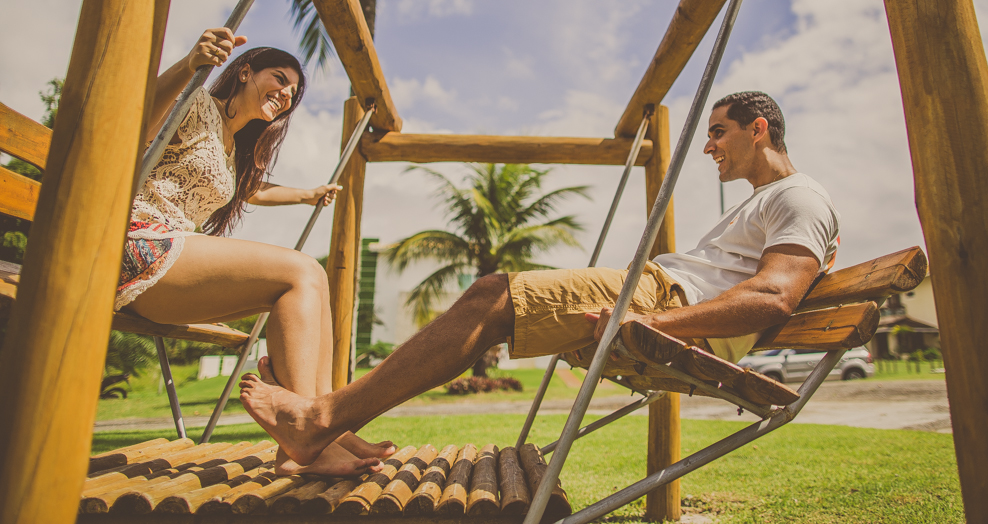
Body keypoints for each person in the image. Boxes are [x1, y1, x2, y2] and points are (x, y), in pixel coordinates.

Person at [239, 91, 840, 469]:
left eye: (718, 131)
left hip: (663, 301)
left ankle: (319, 421)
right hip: (657, 292)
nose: (709, 146)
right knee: (492, 298)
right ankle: (334, 431)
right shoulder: (765, 202)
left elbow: (773, 295)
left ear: (758, 128)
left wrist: (651, 322)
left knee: (493, 295)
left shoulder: (799, 196)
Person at [118, 27, 394, 476]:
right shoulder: (196, 105)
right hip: (139, 245)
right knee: (300, 271)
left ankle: (327, 426)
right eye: (280, 79)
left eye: (293, 92)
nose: (286, 93)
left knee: (313, 279)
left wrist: (307, 194)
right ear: (245, 72)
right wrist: (190, 67)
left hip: (173, 256)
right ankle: (306, 437)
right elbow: (139, 122)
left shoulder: (233, 147)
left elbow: (252, 192)